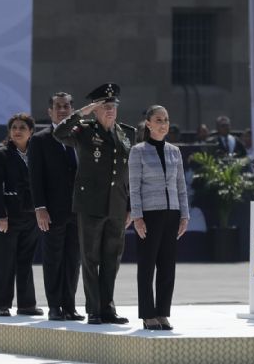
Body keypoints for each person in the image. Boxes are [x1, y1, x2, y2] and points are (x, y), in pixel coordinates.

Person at [54, 83, 134, 325]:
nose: (110, 111)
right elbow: (59, 133)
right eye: (105, 107)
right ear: (96, 110)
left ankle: (108, 307)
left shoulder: (125, 133)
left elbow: (127, 172)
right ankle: (94, 309)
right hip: (91, 204)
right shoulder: (84, 130)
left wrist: (130, 205)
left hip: (117, 205)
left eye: (113, 107)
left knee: (112, 258)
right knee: (90, 258)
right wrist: (82, 112)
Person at [129, 105, 190, 330]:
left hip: (172, 214)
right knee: (147, 266)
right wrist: (137, 217)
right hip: (149, 215)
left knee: (167, 266)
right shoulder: (138, 151)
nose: (163, 124)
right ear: (148, 124)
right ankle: (148, 314)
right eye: (158, 120)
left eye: (166, 120)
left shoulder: (175, 151)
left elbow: (181, 186)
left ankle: (163, 312)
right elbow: (134, 188)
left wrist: (184, 214)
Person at [28, 92, 84, 322]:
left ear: (72, 109)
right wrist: (40, 207)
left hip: (79, 209)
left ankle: (69, 306)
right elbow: (35, 177)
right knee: (53, 259)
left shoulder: (82, 136)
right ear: (50, 111)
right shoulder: (40, 139)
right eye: (58, 106)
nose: (62, 110)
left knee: (73, 260)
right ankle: (54, 306)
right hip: (52, 210)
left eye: (67, 106)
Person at [0, 113, 42, 317]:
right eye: (14, 128)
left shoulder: (36, 154)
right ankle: (2, 303)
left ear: (31, 132)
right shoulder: (0, 154)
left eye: (22, 128)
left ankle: (27, 304)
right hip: (7, 217)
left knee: (26, 260)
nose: (17, 131)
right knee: (4, 260)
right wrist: (1, 215)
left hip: (30, 216)